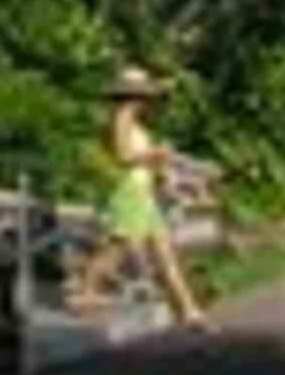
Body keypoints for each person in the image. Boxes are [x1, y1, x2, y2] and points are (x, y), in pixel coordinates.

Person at [77, 67, 211, 330]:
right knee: (119, 248)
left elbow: (142, 160)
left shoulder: (135, 121)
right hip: (130, 192)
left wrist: (163, 171)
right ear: (133, 95)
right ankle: (85, 292)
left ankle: (190, 312)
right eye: (144, 94)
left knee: (165, 253)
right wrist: (155, 153)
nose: (148, 100)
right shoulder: (122, 117)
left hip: (143, 192)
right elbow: (123, 156)